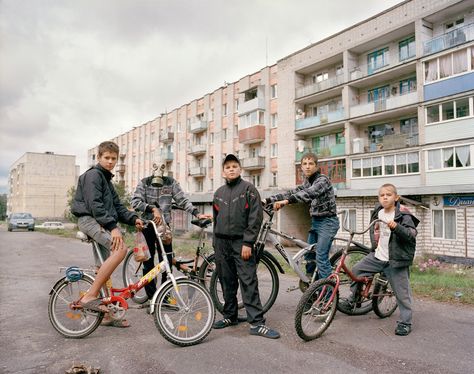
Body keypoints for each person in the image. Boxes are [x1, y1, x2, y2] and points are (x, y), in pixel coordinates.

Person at [72, 141, 144, 326]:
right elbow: (95, 205)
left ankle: (107, 314)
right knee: (120, 250)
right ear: (99, 157)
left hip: (99, 221)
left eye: (114, 158)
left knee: (104, 268)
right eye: (107, 158)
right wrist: (113, 228)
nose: (111, 161)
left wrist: (133, 218)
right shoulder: (93, 176)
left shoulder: (106, 179)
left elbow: (118, 207)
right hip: (89, 220)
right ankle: (90, 296)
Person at [212, 154, 280, 339]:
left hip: (241, 243)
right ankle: (230, 316)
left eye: (235, 166)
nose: (231, 169)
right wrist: (215, 244)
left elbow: (255, 218)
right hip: (221, 244)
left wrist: (248, 242)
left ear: (240, 169)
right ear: (223, 171)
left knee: (248, 281)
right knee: (227, 281)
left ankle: (257, 323)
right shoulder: (218, 193)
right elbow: (216, 220)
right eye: (228, 167)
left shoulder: (249, 190)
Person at [340, 183, 419, 336]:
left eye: (388, 195)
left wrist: (397, 227)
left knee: (402, 293)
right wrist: (374, 246)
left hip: (395, 261)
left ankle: (405, 322)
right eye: (382, 195)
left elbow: (411, 235)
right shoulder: (378, 211)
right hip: (377, 256)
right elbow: (374, 229)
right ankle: (354, 299)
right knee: (356, 271)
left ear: (396, 198)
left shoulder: (403, 214)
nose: (384, 197)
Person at [131, 165, 210, 301]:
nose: (159, 170)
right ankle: (152, 298)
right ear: (152, 167)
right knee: (148, 262)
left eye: (162, 167)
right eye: (156, 166)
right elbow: (135, 202)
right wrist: (151, 208)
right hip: (148, 226)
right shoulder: (144, 182)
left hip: (164, 228)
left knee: (167, 261)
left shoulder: (171, 183)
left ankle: (165, 297)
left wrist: (197, 213)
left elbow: (182, 200)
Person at [265, 152, 339, 280]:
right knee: (309, 255)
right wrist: (267, 200)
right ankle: (312, 285)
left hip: (328, 222)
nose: (307, 166)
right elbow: (291, 193)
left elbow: (309, 193)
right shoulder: (307, 183)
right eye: (304, 164)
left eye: (311, 163)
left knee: (321, 257)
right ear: (302, 167)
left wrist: (286, 202)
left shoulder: (322, 181)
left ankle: (329, 295)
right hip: (316, 222)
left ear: (316, 166)